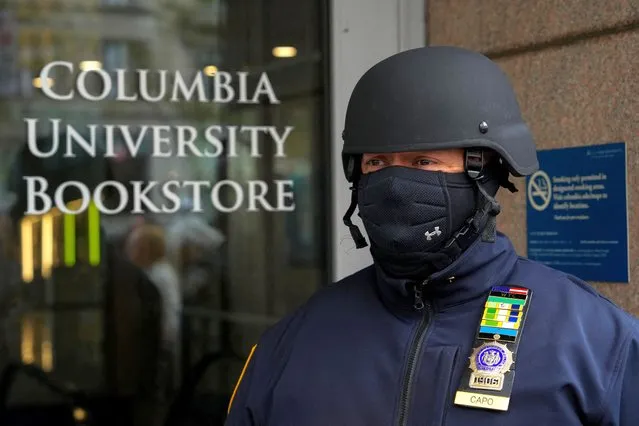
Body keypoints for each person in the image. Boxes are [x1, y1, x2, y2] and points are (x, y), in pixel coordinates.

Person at [224, 46, 639, 425]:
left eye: (423, 161)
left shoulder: (594, 342)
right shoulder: (299, 338)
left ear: (487, 170)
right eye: (377, 163)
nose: (395, 184)